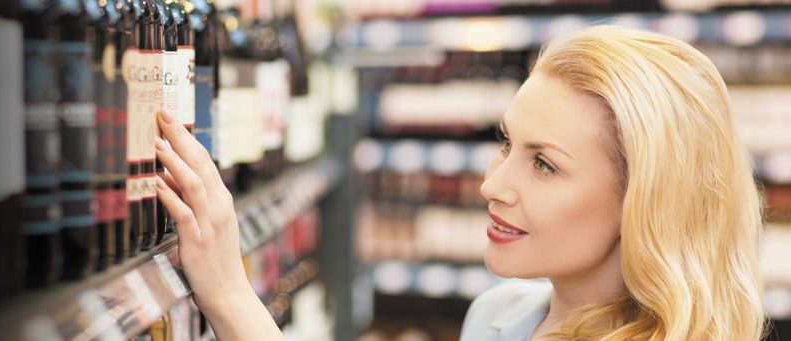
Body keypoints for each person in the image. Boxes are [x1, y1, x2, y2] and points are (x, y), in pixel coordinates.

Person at [152, 25, 767, 340]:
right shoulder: (500, 315)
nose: (492, 185)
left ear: (645, 201)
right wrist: (227, 291)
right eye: (506, 143)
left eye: (544, 164)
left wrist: (230, 293)